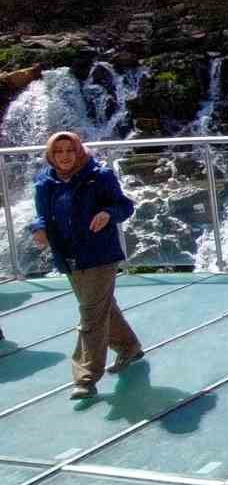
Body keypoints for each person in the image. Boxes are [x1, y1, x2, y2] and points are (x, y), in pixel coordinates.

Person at [28, 131, 143, 401]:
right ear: (51, 155)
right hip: (68, 256)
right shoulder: (45, 183)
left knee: (90, 314)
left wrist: (107, 214)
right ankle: (129, 346)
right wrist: (38, 229)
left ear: (79, 150)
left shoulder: (98, 176)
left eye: (70, 150)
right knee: (102, 308)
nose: (65, 156)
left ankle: (85, 377)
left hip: (99, 255)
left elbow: (124, 206)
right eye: (59, 152)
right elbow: (41, 215)